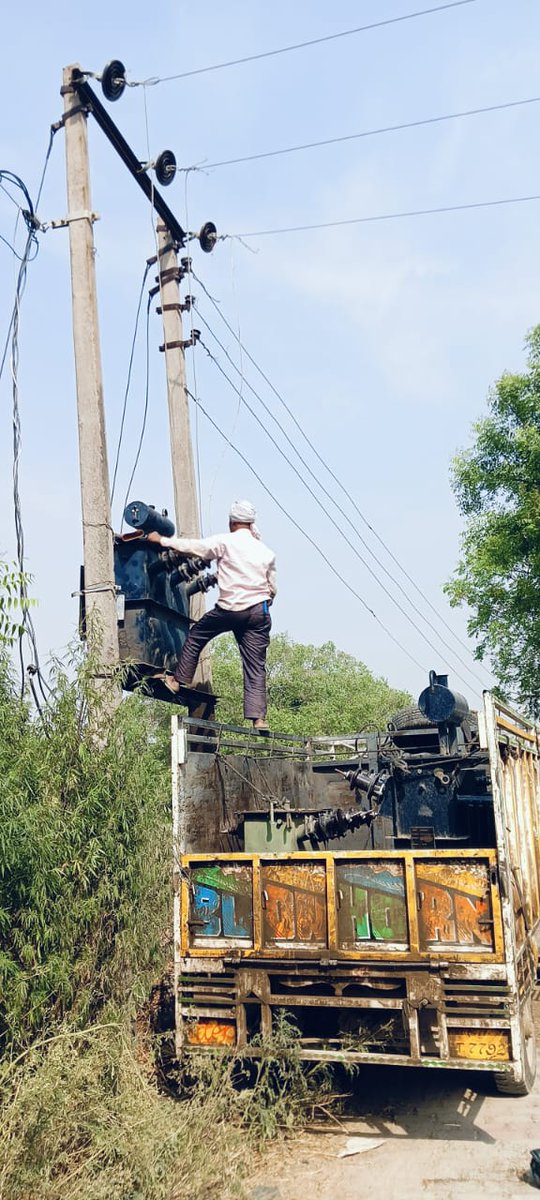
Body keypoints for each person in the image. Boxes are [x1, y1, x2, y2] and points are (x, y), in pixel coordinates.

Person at [147, 500, 276, 729]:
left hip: (230, 609)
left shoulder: (225, 541)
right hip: (259, 613)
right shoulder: (266, 551)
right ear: (250, 523)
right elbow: (272, 589)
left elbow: (194, 547)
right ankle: (259, 719)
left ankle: (177, 681)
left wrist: (162, 540)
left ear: (232, 522)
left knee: (197, 635)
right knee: (255, 665)